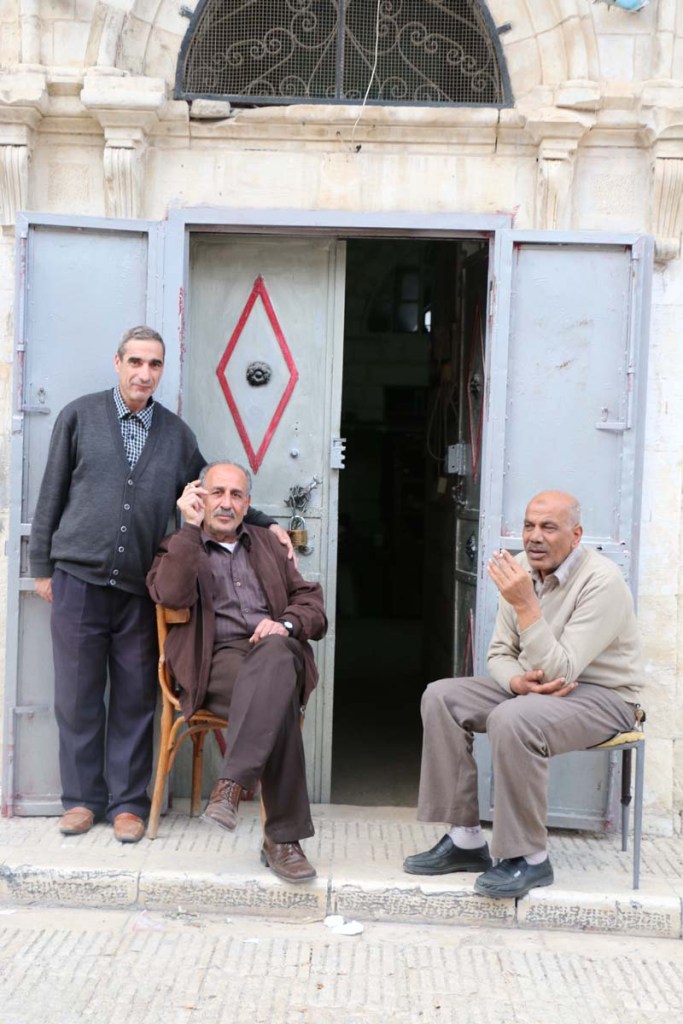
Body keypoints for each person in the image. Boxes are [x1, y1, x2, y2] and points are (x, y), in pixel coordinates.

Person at [30, 326, 293, 843]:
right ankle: (82, 801)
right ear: (118, 363)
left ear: (161, 370)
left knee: (134, 697)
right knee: (77, 696)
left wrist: (263, 521)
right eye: (136, 363)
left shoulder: (175, 435)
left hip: (138, 589)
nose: (144, 374)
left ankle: (128, 804)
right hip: (77, 578)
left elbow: (214, 492)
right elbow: (51, 493)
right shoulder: (79, 416)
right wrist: (42, 568)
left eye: (154, 365)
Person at [404, 490, 644, 899]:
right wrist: (517, 683)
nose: (534, 537)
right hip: (535, 685)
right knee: (441, 696)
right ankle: (465, 840)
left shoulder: (602, 581)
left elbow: (564, 670)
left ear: (576, 534)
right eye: (529, 525)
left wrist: (527, 605)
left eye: (548, 527)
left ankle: (530, 858)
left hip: (605, 698)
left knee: (514, 718)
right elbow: (500, 653)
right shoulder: (520, 569)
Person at [147, 460, 327, 881]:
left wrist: (283, 624)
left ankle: (229, 785)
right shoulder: (178, 545)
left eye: (236, 495)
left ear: (247, 504)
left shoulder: (268, 544)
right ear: (200, 498)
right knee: (277, 703)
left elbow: (313, 607)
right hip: (217, 662)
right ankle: (282, 841)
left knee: (279, 656)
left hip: (276, 651)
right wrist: (189, 530)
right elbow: (169, 593)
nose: (226, 503)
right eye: (217, 493)